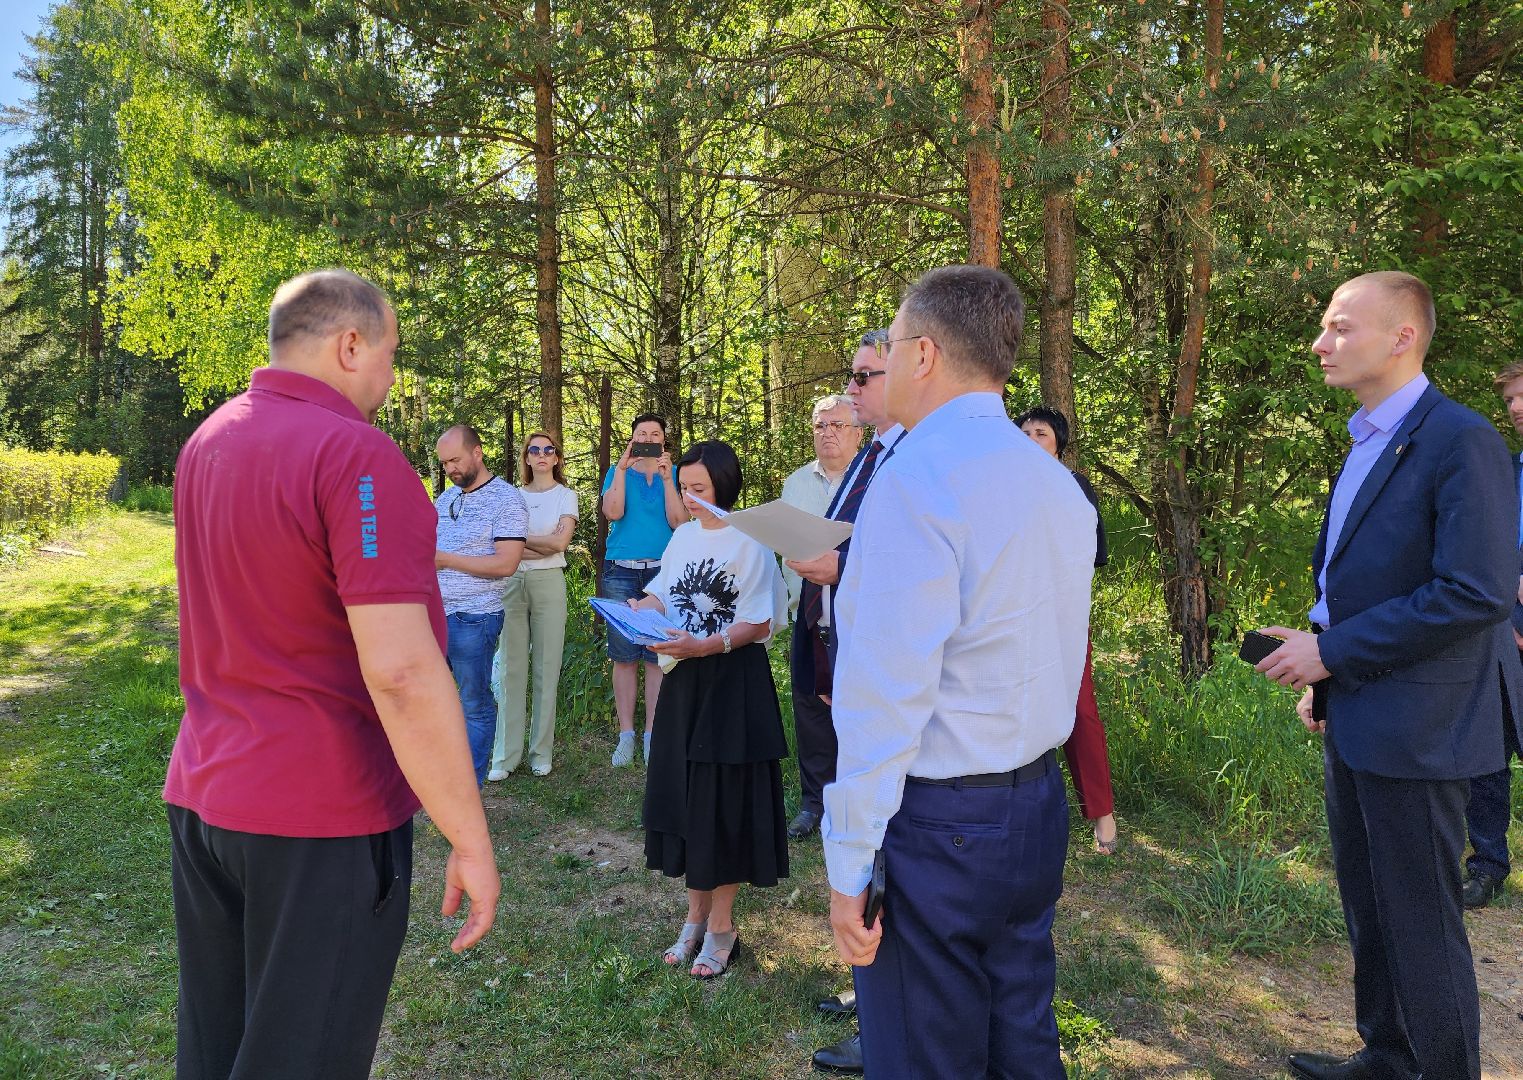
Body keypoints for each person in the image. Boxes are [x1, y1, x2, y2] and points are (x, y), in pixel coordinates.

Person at [164, 269, 498, 1080]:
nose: (390, 378)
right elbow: (403, 672)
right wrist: (470, 835)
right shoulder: (356, 453)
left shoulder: (209, 439)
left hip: (206, 796)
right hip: (321, 813)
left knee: (218, 1044)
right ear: (350, 344)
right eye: (390, 354)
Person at [825, 265, 1096, 1079]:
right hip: (1033, 806)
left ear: (925, 355)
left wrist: (847, 866)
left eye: (894, 343)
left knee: (922, 1052)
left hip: (938, 822)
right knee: (1019, 1037)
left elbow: (884, 693)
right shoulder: (1054, 485)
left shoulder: (917, 481)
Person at [1254, 271, 1521, 1080]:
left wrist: (1330, 653)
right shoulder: (1367, 437)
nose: (1319, 343)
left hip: (1421, 727)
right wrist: (1322, 668)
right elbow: (1364, 583)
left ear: (1401, 337)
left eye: (1339, 327)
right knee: (1370, 907)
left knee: (1419, 917)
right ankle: (1387, 1056)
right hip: (1363, 712)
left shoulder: (1458, 438)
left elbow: (1471, 591)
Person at [632, 440, 790, 978]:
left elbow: (760, 623)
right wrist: (640, 608)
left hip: (732, 683)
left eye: (699, 489)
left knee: (723, 808)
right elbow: (663, 593)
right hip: (685, 682)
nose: (690, 498)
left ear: (724, 485)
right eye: (684, 488)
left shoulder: (752, 540)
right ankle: (693, 918)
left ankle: (722, 928)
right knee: (686, 801)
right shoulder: (681, 536)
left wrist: (711, 644)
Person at [793, 330, 906, 1075]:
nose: (854, 390)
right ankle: (867, 986)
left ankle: (885, 1014)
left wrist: (836, 567)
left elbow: (886, 568)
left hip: (886, 681)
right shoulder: (874, 456)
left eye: (867, 375)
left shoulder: (914, 461)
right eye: (852, 377)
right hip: (839, 647)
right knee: (861, 838)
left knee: (887, 848)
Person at [1016, 405, 1120, 856]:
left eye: (1040, 433)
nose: (1030, 440)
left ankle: (1102, 812)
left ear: (1059, 443)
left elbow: (1095, 554)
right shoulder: (1005, 487)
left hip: (1062, 616)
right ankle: (1022, 810)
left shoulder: (1077, 488)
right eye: (1023, 432)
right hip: (1010, 616)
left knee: (1081, 710)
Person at [1458, 360, 1523, 908]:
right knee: (1487, 753)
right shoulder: (1506, 469)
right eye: (1510, 401)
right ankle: (1487, 864)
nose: (1517, 408)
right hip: (1504, 634)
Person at [434, 424, 528, 786]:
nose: (450, 469)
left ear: (477, 452)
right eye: (444, 464)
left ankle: (467, 791)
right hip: (435, 616)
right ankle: (443, 782)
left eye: (455, 460)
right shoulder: (445, 500)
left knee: (474, 704)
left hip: (474, 617)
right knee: (439, 703)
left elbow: (505, 564)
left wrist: (444, 559)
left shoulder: (506, 499)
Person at [488, 431, 578, 780]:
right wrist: (541, 543)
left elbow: (561, 544)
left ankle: (541, 753)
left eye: (548, 450)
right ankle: (505, 758)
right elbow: (502, 547)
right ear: (526, 457)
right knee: (511, 668)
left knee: (546, 666)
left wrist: (522, 542)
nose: (541, 455)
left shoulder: (566, 496)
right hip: (512, 581)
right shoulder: (512, 497)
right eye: (534, 450)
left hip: (549, 583)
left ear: (556, 457)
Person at [600, 413, 685, 766]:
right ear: (632, 439)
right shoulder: (618, 472)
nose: (648, 438)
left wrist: (667, 479)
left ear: (664, 441)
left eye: (655, 434)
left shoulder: (677, 474)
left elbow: (680, 523)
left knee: (656, 656)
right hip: (621, 571)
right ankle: (626, 736)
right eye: (641, 434)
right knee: (624, 655)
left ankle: (652, 735)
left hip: (662, 574)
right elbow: (613, 513)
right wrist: (620, 469)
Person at [779, 393, 862, 618]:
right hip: (806, 619)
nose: (828, 433)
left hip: (858, 620)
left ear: (858, 433)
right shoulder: (795, 483)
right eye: (820, 425)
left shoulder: (872, 479)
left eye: (837, 425)